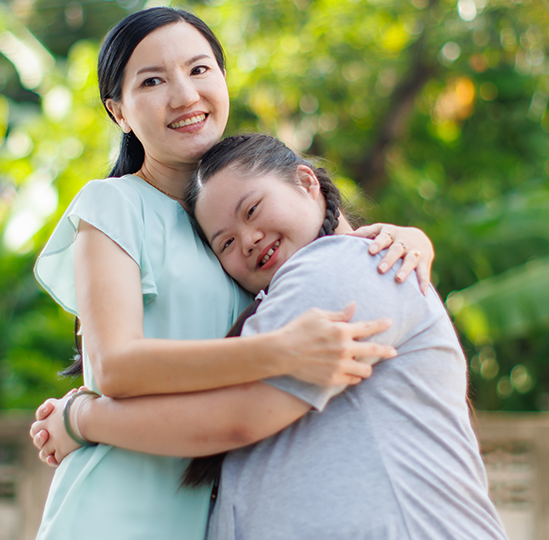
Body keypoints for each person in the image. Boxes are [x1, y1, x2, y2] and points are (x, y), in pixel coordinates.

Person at [30, 7, 436, 539]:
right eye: (152, 81)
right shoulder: (113, 205)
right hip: (117, 511)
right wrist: (281, 350)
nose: (184, 95)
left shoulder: (239, 217)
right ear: (120, 112)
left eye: (200, 70)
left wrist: (411, 240)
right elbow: (114, 367)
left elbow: (339, 260)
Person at [31, 133, 508, 540]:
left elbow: (234, 417)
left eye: (253, 209)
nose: (249, 239)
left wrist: (83, 418)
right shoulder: (278, 300)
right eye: (226, 243)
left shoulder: (343, 266)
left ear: (306, 182)